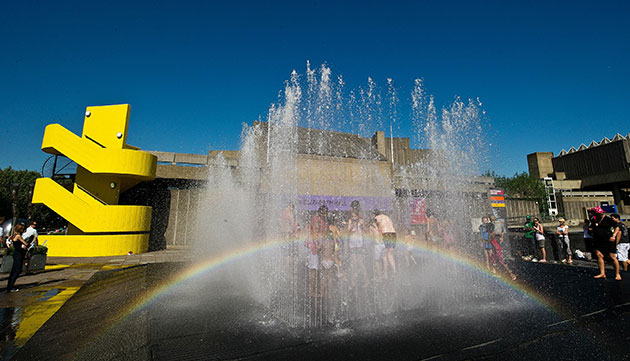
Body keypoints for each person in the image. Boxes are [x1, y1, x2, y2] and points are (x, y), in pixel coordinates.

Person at [589, 207, 621, 280]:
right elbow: (591, 227)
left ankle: (617, 273)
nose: (599, 215)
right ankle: (602, 273)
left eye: (600, 214)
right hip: (598, 240)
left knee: (612, 256)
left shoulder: (608, 219)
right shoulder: (594, 220)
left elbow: (617, 228)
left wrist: (614, 235)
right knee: (599, 255)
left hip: (608, 240)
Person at [307, 205, 329, 297]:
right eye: (324, 213)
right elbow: (315, 232)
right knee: (314, 269)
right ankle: (311, 291)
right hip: (314, 246)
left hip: (317, 246)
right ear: (320, 212)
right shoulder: (317, 219)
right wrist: (317, 246)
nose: (325, 215)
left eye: (326, 213)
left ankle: (315, 290)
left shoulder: (322, 220)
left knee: (317, 269)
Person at [489, 216, 516, 280]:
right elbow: (502, 231)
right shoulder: (497, 226)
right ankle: (496, 272)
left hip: (496, 249)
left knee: (499, 261)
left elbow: (492, 240)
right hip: (495, 248)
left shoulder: (493, 233)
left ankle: (510, 273)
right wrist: (501, 237)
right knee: (494, 260)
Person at [373, 210, 397, 279]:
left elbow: (374, 225)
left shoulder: (378, 217)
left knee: (385, 255)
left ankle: (385, 274)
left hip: (386, 234)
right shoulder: (387, 217)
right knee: (390, 254)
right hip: (393, 234)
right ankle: (394, 271)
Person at [6, 224, 27, 293]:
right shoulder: (18, 236)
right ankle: (11, 287)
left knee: (14, 270)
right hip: (18, 254)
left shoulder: (13, 235)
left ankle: (10, 285)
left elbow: (9, 240)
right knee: (17, 270)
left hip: (16, 253)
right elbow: (26, 244)